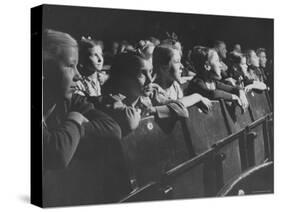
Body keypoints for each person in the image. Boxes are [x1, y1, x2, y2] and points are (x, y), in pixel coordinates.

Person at [42, 29, 130, 206]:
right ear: (45, 69)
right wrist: (75, 118)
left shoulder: (70, 99)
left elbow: (113, 128)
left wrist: (73, 130)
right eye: (69, 65)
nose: (77, 75)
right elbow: (57, 153)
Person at [98, 52, 189, 136]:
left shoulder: (149, 95)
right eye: (141, 74)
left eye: (150, 72)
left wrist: (153, 110)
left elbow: (182, 110)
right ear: (124, 79)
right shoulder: (111, 99)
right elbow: (131, 122)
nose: (150, 80)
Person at [152, 43, 212, 112]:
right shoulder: (154, 90)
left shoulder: (175, 86)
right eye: (177, 62)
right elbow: (175, 106)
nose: (182, 66)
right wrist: (197, 96)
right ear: (163, 67)